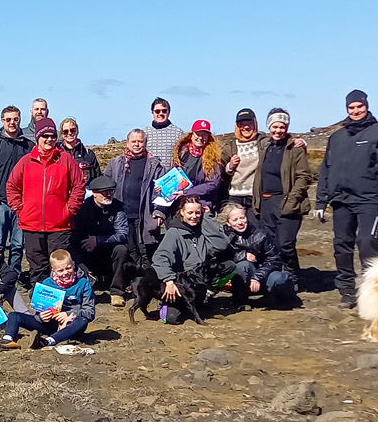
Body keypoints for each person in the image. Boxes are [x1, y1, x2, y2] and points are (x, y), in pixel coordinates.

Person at [314, 90, 378, 308]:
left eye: (359, 106)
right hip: (341, 200)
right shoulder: (337, 137)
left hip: (370, 199)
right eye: (351, 107)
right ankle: (347, 291)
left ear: (366, 106)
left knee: (367, 242)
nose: (356, 111)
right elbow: (326, 170)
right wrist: (321, 202)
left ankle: (372, 289)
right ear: (346, 109)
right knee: (342, 244)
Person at [8, 118, 86, 287]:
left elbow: (79, 185)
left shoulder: (65, 159)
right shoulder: (26, 161)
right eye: (45, 136)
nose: (49, 139)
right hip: (31, 224)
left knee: (61, 266)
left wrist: (69, 210)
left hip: (60, 225)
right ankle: (41, 302)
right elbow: (12, 186)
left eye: (52, 136)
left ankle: (62, 299)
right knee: (37, 266)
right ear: (38, 138)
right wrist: (19, 209)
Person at [250, 108, 315, 274]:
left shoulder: (295, 148)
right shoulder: (264, 145)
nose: (278, 130)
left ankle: (293, 276)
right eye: (274, 126)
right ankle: (276, 279)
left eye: (282, 127)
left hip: (288, 202)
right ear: (269, 126)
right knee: (270, 244)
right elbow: (244, 138)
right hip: (266, 202)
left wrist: (292, 200)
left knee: (285, 244)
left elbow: (304, 176)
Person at [152, 196, 232, 324]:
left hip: (199, 278)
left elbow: (222, 244)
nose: (194, 216)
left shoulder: (202, 229)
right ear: (182, 212)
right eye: (190, 212)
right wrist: (169, 280)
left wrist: (208, 217)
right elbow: (159, 258)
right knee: (171, 319)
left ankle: (204, 298)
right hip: (181, 283)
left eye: (197, 212)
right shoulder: (173, 233)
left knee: (229, 266)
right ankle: (167, 305)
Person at [0, 250, 95, 350]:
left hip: (71, 324)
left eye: (68, 268)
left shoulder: (84, 284)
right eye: (60, 271)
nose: (65, 273)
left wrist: (69, 314)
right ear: (53, 270)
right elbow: (37, 311)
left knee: (82, 321)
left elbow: (90, 312)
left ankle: (48, 341)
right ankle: (7, 339)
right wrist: (41, 317)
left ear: (73, 264)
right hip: (49, 324)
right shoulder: (46, 283)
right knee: (14, 315)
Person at [0, 106, 33, 279]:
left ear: (20, 120)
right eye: (8, 119)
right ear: (2, 121)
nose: (12, 123)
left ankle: (14, 275)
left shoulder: (29, 147)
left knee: (18, 244)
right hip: (0, 204)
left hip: (22, 205)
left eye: (16, 119)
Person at [103, 129, 168, 263]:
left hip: (146, 215)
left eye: (140, 141)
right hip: (122, 214)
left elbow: (164, 191)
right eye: (134, 141)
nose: (137, 144)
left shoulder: (155, 165)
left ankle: (148, 281)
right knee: (128, 251)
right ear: (127, 143)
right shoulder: (115, 164)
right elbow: (105, 185)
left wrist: (159, 212)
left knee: (147, 253)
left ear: (145, 143)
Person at [219, 203, 295, 307]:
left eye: (242, 218)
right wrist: (243, 256)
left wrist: (257, 277)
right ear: (228, 222)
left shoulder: (261, 235)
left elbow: (274, 259)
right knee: (243, 265)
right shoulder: (223, 237)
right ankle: (240, 300)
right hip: (243, 274)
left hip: (263, 272)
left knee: (280, 279)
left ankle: (276, 298)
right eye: (235, 220)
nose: (240, 222)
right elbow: (222, 258)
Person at [72, 175, 129, 305]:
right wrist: (79, 262)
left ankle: (116, 292)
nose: (108, 195)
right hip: (86, 251)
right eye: (104, 192)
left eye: (111, 191)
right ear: (94, 193)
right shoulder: (83, 210)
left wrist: (98, 240)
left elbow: (123, 234)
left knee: (122, 250)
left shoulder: (117, 207)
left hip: (108, 250)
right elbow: (74, 238)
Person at [167, 120, 226, 208]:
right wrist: (162, 187)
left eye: (204, 135)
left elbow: (212, 184)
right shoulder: (180, 153)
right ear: (191, 135)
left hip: (202, 204)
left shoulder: (214, 157)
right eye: (198, 134)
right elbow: (172, 176)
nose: (200, 138)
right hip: (179, 203)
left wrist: (186, 193)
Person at [222, 108, 265, 211]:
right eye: (242, 124)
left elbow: (281, 145)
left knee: (256, 226)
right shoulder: (230, 145)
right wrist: (230, 166)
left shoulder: (264, 142)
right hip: (235, 196)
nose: (246, 127)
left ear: (255, 124)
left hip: (257, 197)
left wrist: (298, 142)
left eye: (249, 123)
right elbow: (220, 169)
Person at [59, 117, 101, 184]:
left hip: (85, 192)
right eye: (65, 131)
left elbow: (97, 178)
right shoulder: (56, 152)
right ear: (62, 134)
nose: (69, 133)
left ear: (77, 131)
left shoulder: (88, 153)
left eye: (72, 130)